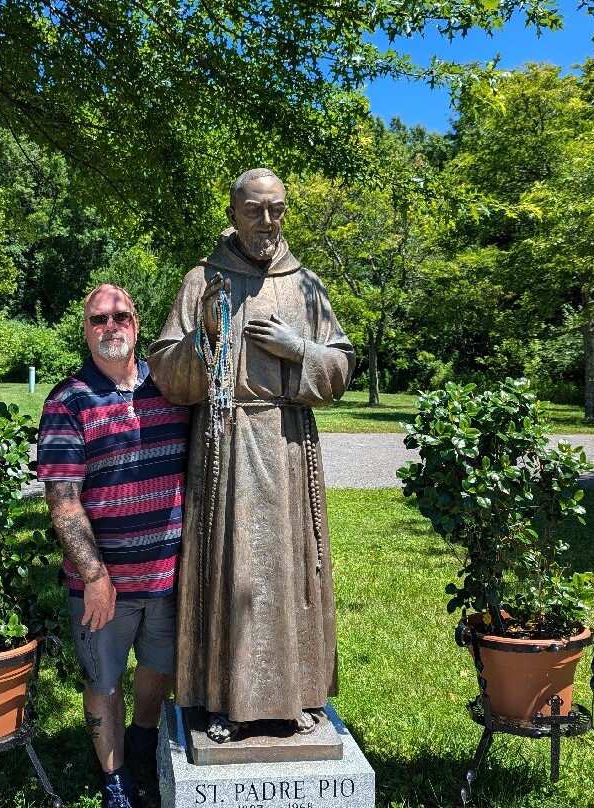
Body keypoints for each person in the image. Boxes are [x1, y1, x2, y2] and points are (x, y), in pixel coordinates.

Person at [148, 168, 355, 743]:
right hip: (224, 445)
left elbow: (339, 366)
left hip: (288, 446)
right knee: (227, 568)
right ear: (234, 213)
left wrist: (299, 349)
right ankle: (220, 696)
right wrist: (203, 341)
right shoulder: (203, 281)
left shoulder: (306, 285)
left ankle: (297, 692)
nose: (267, 221)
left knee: (289, 568)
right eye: (254, 210)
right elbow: (166, 372)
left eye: (277, 209)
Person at [38, 284, 190, 807]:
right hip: (103, 585)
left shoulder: (170, 388)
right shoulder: (67, 402)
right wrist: (96, 578)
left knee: (159, 668)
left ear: (136, 323)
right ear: (86, 330)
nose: (111, 326)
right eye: (99, 319)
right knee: (103, 679)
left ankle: (144, 743)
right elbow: (64, 501)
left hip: (170, 577)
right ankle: (116, 779)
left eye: (120, 316)